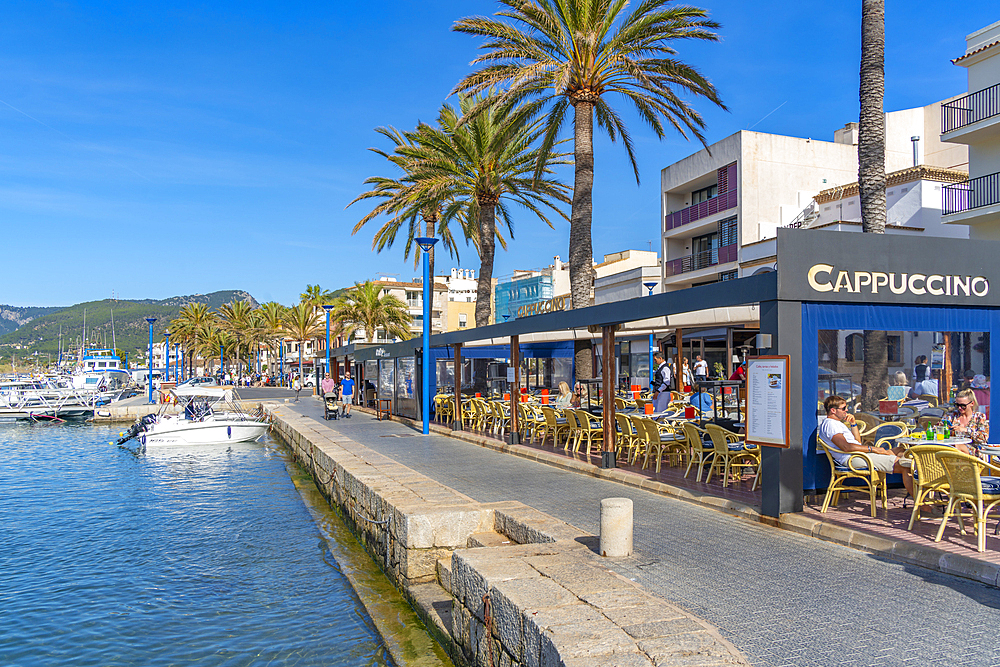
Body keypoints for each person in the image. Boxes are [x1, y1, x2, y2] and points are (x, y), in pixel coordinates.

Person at [818, 395, 913, 498]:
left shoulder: (836, 423)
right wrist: (874, 449)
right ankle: (922, 505)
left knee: (901, 450)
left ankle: (916, 471)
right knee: (905, 466)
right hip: (853, 458)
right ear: (833, 410)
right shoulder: (831, 425)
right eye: (844, 408)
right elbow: (846, 447)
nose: (846, 410)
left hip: (858, 455)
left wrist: (853, 424)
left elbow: (857, 442)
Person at [946, 388, 989, 456]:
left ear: (972, 403)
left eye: (963, 406)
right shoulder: (952, 416)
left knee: (956, 447)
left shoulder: (979, 417)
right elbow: (937, 428)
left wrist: (966, 430)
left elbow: (983, 438)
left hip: (974, 450)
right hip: (952, 448)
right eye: (957, 405)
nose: (959, 408)